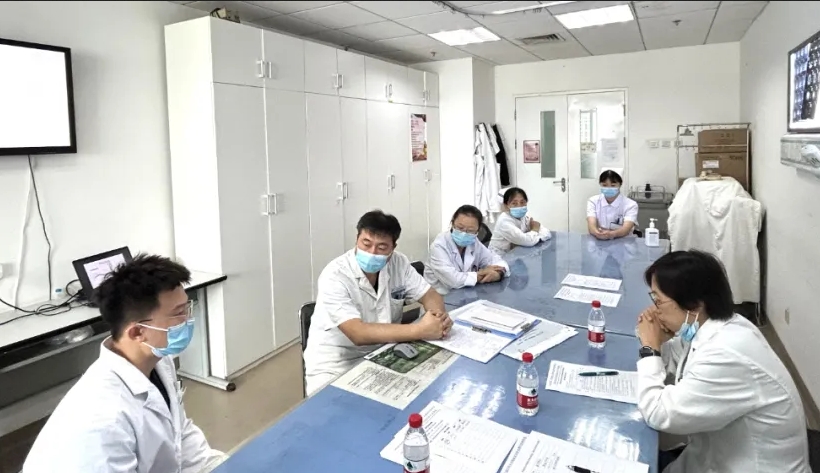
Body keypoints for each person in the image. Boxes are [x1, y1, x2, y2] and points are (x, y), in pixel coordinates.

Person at [23, 255, 225, 473]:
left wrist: (225, 465)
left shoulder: (157, 361)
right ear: (137, 332)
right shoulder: (104, 420)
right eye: (179, 313)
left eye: (187, 308)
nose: (188, 319)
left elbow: (180, 435)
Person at [635, 250, 810, 473]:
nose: (654, 310)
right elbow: (676, 359)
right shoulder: (714, 326)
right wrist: (656, 340)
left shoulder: (726, 354)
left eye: (658, 301)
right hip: (709, 457)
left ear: (695, 304)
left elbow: (659, 414)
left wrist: (650, 349)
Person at [303, 210, 453, 395]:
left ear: (393, 248)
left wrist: (438, 320)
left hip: (384, 350)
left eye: (382, 247)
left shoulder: (398, 262)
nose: (372, 253)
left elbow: (430, 295)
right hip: (337, 362)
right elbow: (358, 333)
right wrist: (421, 330)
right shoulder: (335, 275)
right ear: (357, 239)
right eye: (366, 244)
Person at [424, 204, 510, 294]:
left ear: (477, 231)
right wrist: (481, 274)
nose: (464, 233)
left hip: (465, 293)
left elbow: (496, 260)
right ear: (452, 223)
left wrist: (499, 273)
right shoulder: (439, 246)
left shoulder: (473, 242)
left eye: (470, 230)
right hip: (440, 296)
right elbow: (454, 281)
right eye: (460, 228)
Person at [489, 187, 550, 254]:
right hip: (499, 256)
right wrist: (535, 230)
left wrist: (532, 238)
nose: (519, 206)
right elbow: (528, 241)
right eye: (514, 203)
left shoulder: (524, 217)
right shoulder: (504, 222)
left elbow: (546, 232)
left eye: (522, 202)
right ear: (506, 205)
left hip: (516, 253)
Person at [586, 169, 638, 240]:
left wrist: (611, 234)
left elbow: (626, 229)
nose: (608, 188)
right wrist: (597, 233)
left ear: (620, 184)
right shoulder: (593, 201)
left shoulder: (631, 205)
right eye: (604, 185)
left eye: (613, 185)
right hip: (599, 240)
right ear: (600, 184)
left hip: (623, 241)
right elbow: (591, 225)